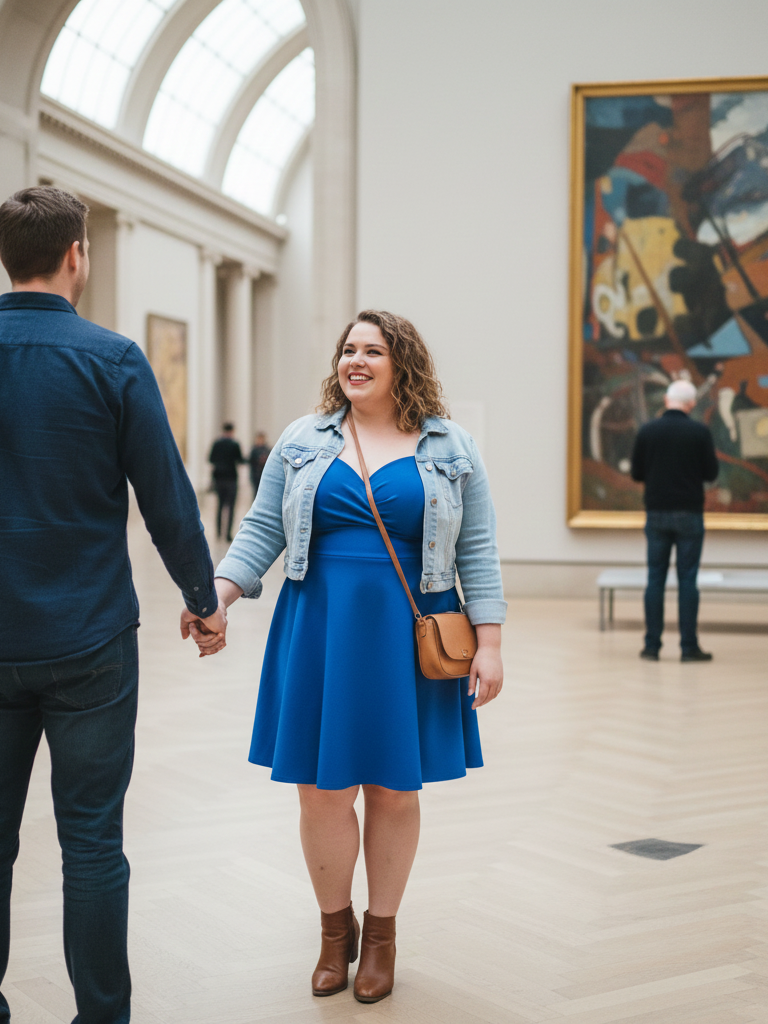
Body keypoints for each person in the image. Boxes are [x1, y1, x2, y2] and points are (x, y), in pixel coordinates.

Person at [188, 310, 506, 1003]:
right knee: (322, 790)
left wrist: (491, 645)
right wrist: (217, 594)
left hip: (408, 631)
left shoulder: (451, 447)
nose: (355, 361)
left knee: (395, 787)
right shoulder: (304, 440)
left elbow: (477, 551)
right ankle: (336, 934)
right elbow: (261, 530)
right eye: (348, 350)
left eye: (372, 351)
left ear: (403, 364)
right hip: (320, 627)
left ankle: (382, 935)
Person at [0, 185, 226, 1024]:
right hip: (90, 635)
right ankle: (101, 1016)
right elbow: (165, 496)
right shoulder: (114, 358)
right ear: (76, 256)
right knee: (91, 842)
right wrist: (204, 599)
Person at [631, 378, 719, 662]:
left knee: (654, 579)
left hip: (656, 513)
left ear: (667, 400)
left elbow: (636, 473)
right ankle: (689, 646)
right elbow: (711, 473)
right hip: (690, 515)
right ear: (691, 404)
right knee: (688, 580)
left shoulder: (648, 431)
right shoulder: (699, 432)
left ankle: (651, 646)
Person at [209, 422, 243, 541]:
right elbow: (240, 459)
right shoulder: (234, 444)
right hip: (231, 478)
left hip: (219, 478)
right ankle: (228, 534)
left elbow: (210, 459)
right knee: (231, 507)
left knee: (220, 506)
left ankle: (218, 533)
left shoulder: (217, 444)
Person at [248, 430, 271, 500]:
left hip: (264, 474)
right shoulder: (254, 450)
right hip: (256, 474)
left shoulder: (267, 450)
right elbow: (251, 462)